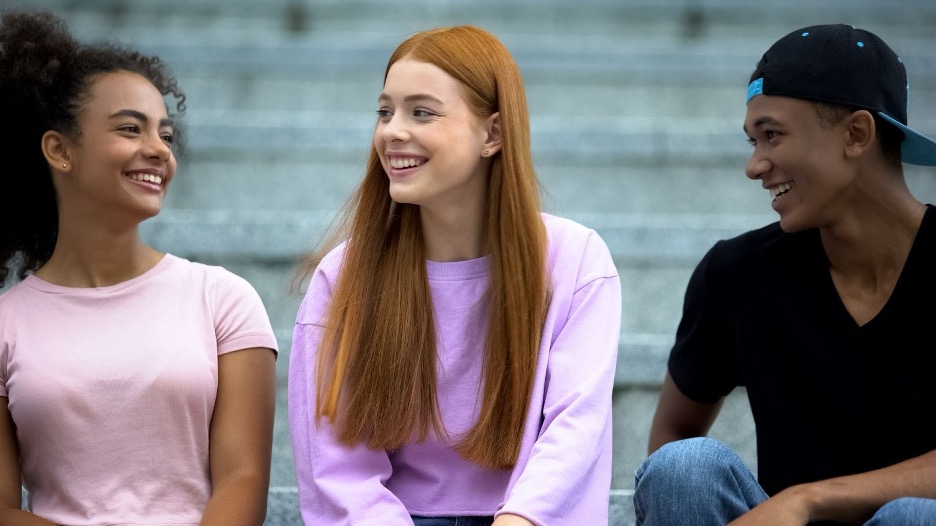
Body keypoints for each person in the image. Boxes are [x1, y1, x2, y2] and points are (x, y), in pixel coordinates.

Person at [287, 25, 621, 526]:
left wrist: (519, 519)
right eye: (385, 111)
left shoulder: (577, 261)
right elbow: (336, 469)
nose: (392, 131)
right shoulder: (344, 277)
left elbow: (575, 428)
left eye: (421, 112)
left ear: (493, 134)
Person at [634, 24, 936, 526]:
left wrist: (809, 498)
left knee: (913, 517)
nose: (754, 166)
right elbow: (672, 436)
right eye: (753, 141)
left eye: (771, 135)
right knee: (682, 467)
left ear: (856, 134)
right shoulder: (737, 274)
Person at [0, 9, 278, 526]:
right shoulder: (5, 324)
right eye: (131, 128)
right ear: (59, 150)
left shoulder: (223, 299)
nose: (158, 150)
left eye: (165, 134)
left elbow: (243, 480)